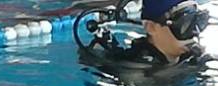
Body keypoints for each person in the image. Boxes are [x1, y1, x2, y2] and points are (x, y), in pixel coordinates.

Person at [82, 0, 210, 73]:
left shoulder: (190, 58)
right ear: (151, 27)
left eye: (199, 21)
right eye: (185, 24)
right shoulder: (136, 71)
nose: (195, 32)